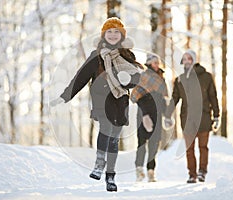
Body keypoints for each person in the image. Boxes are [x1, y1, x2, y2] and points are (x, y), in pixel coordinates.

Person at [50, 17, 142, 192]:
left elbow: (136, 78)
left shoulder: (127, 55)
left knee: (114, 138)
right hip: (102, 101)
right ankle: (99, 164)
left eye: (116, 32)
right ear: (103, 35)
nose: (113, 35)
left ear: (122, 35)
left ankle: (110, 176)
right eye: (109, 31)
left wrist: (128, 80)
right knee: (105, 129)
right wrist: (65, 96)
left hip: (120, 102)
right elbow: (80, 77)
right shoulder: (96, 56)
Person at [165, 49, 219, 183]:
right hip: (187, 119)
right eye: (185, 59)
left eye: (190, 58)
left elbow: (213, 96)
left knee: (203, 147)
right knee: (189, 149)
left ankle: (202, 172)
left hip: (204, 117)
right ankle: (192, 174)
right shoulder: (180, 80)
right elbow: (174, 99)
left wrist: (217, 116)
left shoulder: (206, 76)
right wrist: (167, 116)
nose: (187, 61)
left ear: (194, 60)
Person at [130, 54, 168, 182]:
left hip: (157, 114)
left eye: (158, 62)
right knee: (142, 143)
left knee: (154, 144)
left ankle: (151, 171)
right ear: (149, 63)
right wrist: (145, 115)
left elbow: (162, 100)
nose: (157, 64)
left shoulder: (161, 78)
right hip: (143, 114)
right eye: (154, 62)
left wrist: (167, 115)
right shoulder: (144, 76)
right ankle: (139, 170)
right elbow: (137, 98)